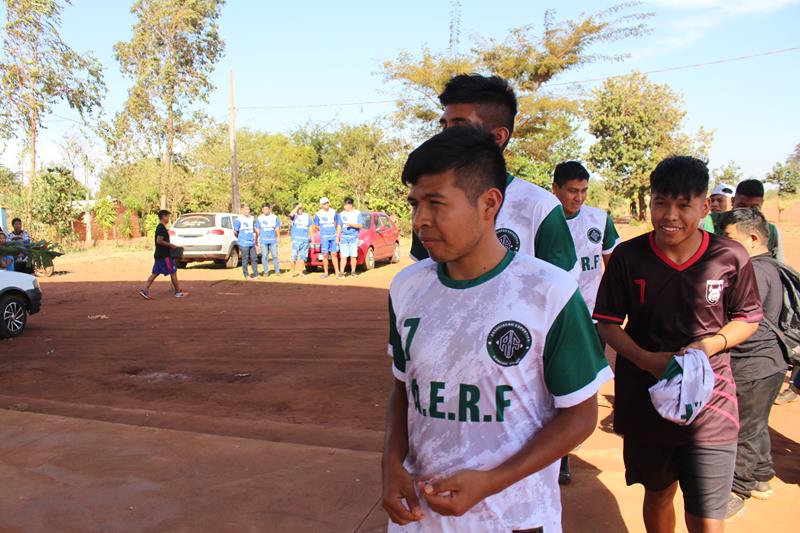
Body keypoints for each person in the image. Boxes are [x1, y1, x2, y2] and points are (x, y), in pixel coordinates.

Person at [382, 127, 611, 532]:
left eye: (436, 204)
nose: (420, 221)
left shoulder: (549, 292)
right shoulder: (407, 287)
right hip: (422, 518)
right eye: (415, 204)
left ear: (489, 204)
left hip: (516, 518)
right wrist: (391, 463)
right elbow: (403, 390)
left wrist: (491, 482)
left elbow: (579, 415)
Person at [594, 156, 762, 533]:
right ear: (650, 202)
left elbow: (748, 317)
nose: (670, 215)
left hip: (712, 402)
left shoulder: (729, 256)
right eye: (660, 203)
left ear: (704, 207)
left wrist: (710, 345)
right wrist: (646, 359)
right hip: (646, 398)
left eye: (683, 205)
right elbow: (607, 323)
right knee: (657, 494)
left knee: (707, 512)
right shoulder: (628, 257)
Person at [409, 74, 577, 274]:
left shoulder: (540, 206)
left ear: (498, 137)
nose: (446, 135)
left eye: (459, 125)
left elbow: (559, 289)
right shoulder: (426, 202)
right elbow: (423, 278)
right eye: (444, 125)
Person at [551, 160, 620, 485]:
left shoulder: (599, 220)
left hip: (591, 318)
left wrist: (613, 309)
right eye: (572, 191)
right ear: (556, 190)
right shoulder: (544, 219)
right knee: (553, 387)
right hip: (552, 317)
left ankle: (565, 453)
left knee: (581, 388)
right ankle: (557, 455)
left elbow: (614, 266)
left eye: (583, 191)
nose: (578, 197)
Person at [717, 208, 787, 519]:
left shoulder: (755, 271)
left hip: (754, 363)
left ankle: (737, 489)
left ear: (754, 238)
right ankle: (761, 476)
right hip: (769, 364)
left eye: (729, 238)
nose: (724, 243)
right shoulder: (772, 267)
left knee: (743, 427)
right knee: (756, 422)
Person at [138, 210, 188, 299]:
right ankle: (177, 292)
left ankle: (144, 290)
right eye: (168, 216)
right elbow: (159, 241)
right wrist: (172, 246)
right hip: (164, 256)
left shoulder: (161, 227)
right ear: (164, 217)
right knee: (173, 272)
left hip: (159, 255)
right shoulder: (161, 227)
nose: (168, 218)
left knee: (155, 273)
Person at [731, 179, 783, 262]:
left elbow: (778, 264)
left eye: (754, 208)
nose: (748, 212)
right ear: (732, 201)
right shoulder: (713, 224)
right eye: (742, 206)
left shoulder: (772, 232)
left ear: (761, 204)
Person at [314, 197, 341, 279]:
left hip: (333, 236)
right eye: (324, 203)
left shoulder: (333, 212)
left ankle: (337, 272)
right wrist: (322, 230)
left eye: (327, 203)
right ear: (321, 205)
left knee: (334, 254)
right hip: (324, 237)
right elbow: (316, 225)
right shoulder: (318, 214)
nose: (326, 205)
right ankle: (326, 273)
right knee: (325, 254)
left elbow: (338, 223)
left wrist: (337, 235)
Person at [338, 197, 363, 278]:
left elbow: (360, 225)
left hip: (353, 237)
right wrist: (337, 237)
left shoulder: (357, 213)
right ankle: (341, 272)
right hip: (344, 237)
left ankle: (353, 272)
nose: (345, 207)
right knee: (343, 256)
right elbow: (339, 226)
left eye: (346, 205)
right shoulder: (341, 214)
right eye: (344, 205)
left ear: (350, 205)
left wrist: (352, 225)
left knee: (353, 255)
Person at [256, 204, 281, 277]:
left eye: (267, 209)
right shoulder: (259, 218)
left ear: (269, 209)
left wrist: (278, 237)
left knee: (275, 256)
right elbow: (258, 229)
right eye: (264, 209)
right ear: (262, 210)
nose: (265, 211)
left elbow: (277, 228)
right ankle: (266, 272)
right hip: (263, 240)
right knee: (264, 256)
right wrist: (256, 239)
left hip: (273, 240)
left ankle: (277, 271)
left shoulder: (274, 217)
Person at [234, 205, 258, 279]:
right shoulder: (239, 219)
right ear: (242, 210)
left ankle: (256, 274)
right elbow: (235, 231)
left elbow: (254, 229)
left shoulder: (252, 218)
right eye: (245, 209)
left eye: (248, 209)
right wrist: (240, 238)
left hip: (251, 242)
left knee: (254, 258)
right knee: (245, 259)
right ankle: (246, 275)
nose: (247, 211)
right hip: (243, 243)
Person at [288, 203, 311, 277]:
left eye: (300, 208)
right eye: (298, 209)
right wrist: (297, 206)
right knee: (293, 256)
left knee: (303, 257)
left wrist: (311, 237)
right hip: (296, 240)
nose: (299, 210)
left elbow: (310, 227)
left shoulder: (307, 216)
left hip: (305, 240)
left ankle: (301, 272)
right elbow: (291, 214)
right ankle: (292, 273)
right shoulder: (294, 216)